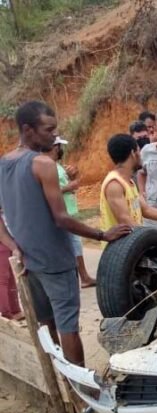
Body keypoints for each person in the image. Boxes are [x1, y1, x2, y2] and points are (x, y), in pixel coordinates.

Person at [0, 101, 130, 365]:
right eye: (48, 130)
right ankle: (82, 387)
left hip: (28, 262)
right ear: (28, 129)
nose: (53, 135)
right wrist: (102, 235)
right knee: (68, 326)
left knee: (48, 322)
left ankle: (63, 375)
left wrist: (14, 246)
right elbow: (61, 218)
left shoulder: (3, 163)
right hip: (55, 260)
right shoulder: (42, 165)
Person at [44, 136, 96, 288]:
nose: (62, 150)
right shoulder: (48, 167)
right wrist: (69, 187)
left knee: (75, 245)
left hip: (69, 211)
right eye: (60, 147)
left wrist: (72, 178)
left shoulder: (57, 165)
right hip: (62, 213)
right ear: (55, 147)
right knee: (70, 245)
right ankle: (80, 277)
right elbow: (48, 192)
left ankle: (83, 276)